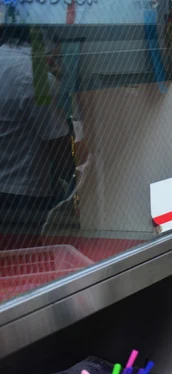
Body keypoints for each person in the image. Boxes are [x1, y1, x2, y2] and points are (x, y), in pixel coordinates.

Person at [0, 25, 71, 247]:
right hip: (24, 197)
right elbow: (58, 146)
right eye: (56, 55)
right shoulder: (36, 75)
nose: (57, 59)